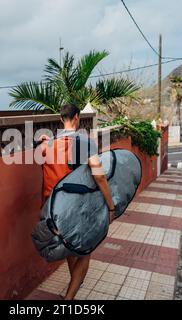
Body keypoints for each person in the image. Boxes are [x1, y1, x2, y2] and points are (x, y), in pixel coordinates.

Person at [37, 104, 115, 300]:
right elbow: (98, 175)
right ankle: (69, 298)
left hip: (51, 206)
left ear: (61, 119)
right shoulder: (83, 142)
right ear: (77, 118)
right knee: (84, 249)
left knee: (72, 248)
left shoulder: (48, 143)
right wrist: (110, 204)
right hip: (73, 206)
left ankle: (75, 283)